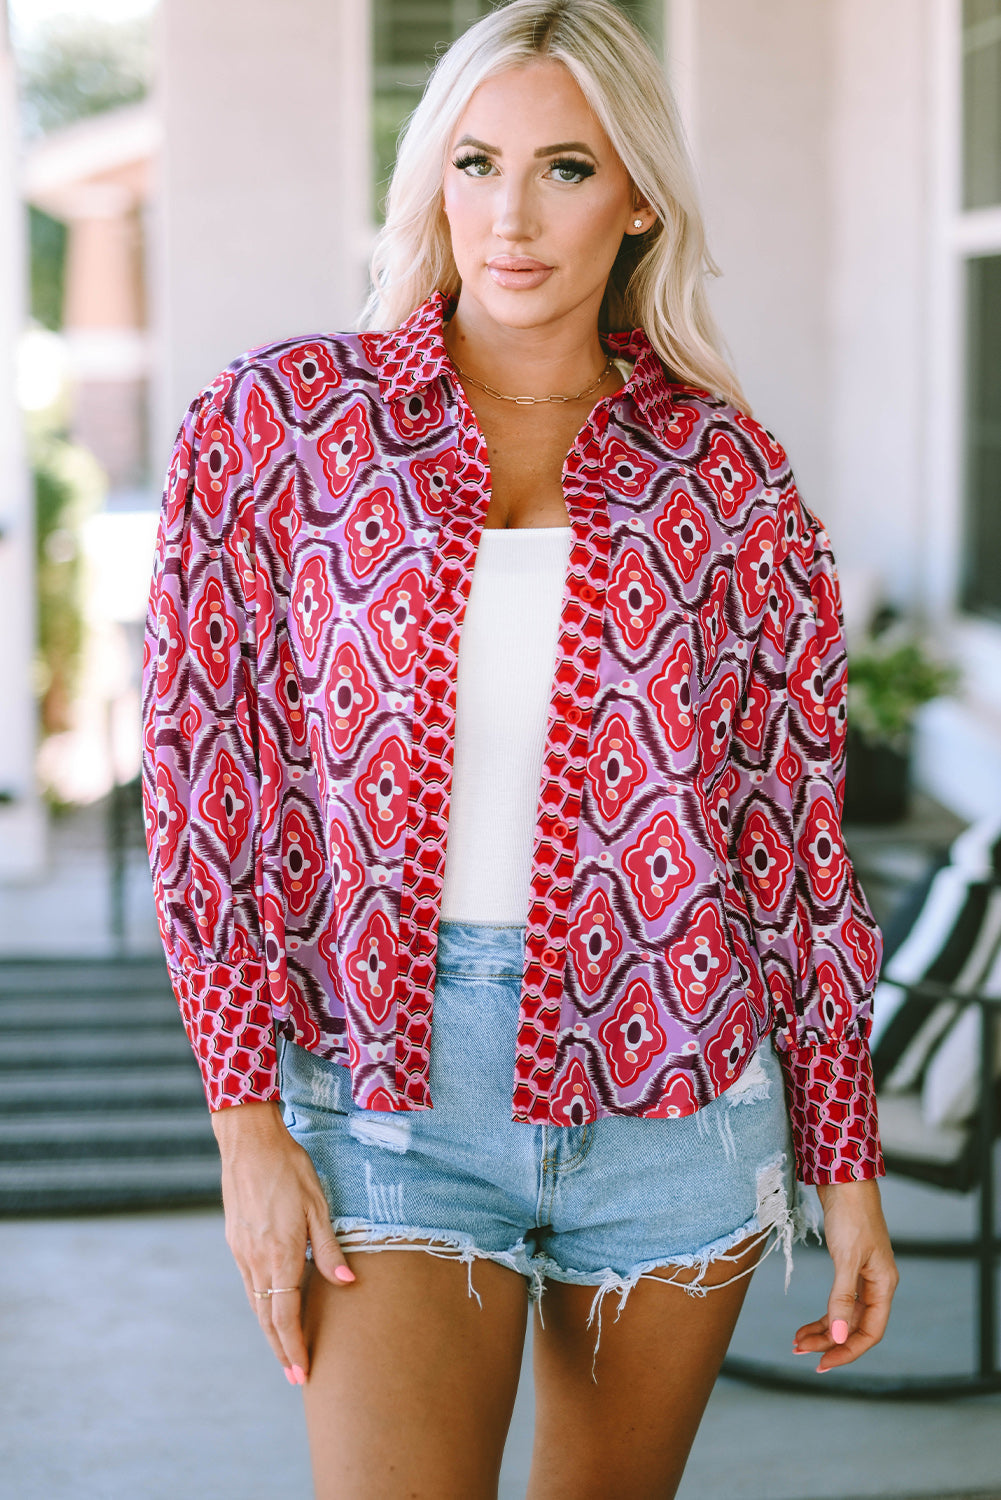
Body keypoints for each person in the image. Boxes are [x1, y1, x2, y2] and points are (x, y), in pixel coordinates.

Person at [142, 2, 899, 1495]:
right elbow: (202, 778)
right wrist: (243, 1124)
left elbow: (786, 840)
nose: (511, 213)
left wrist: (846, 1159)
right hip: (385, 1093)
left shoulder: (724, 475)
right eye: (476, 161)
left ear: (638, 200)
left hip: (680, 1095)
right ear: (430, 177)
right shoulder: (283, 427)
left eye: (565, 168)